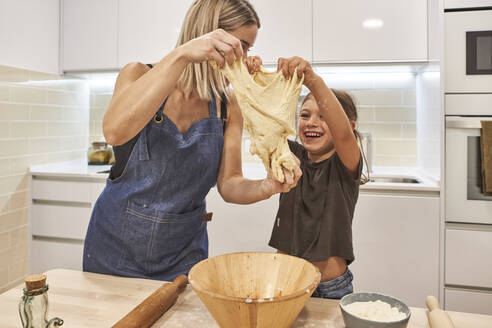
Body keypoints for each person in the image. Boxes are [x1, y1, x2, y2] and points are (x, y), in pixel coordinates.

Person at [83, 0, 301, 281]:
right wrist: (183, 55)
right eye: (241, 45)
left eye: (248, 48)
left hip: (182, 256)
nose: (245, 56)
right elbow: (114, 131)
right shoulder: (138, 74)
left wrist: (267, 186)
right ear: (211, 36)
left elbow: (230, 184)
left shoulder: (226, 106)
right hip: (114, 250)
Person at [269, 56, 369, 299]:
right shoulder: (289, 155)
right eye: (304, 115)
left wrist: (312, 80)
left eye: (323, 116)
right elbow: (265, 122)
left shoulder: (345, 164)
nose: (311, 122)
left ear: (350, 126)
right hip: (284, 282)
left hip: (328, 289)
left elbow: (343, 134)